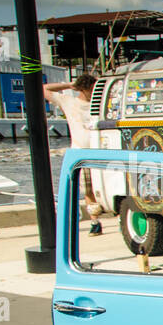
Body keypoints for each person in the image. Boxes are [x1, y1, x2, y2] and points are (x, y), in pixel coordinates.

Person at [44, 74, 103, 234]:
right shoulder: (69, 102)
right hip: (81, 153)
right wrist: (70, 85)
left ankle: (115, 216)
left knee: (104, 187)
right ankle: (95, 221)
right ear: (84, 89)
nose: (95, 92)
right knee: (88, 190)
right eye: (92, 89)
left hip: (102, 151)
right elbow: (44, 88)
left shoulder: (100, 104)